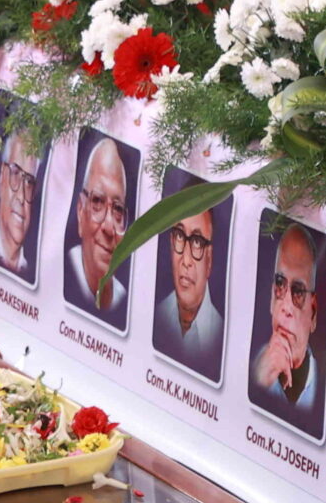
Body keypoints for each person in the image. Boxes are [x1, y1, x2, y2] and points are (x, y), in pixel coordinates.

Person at [249, 219, 326, 433]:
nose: (286, 307)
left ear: (313, 313)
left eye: (298, 291)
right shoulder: (251, 370)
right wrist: (260, 380)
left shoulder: (325, 392)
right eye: (280, 285)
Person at [63, 132, 134, 328]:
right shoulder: (64, 273)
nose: (109, 227)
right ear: (80, 212)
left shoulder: (124, 300)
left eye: (118, 209)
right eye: (97, 201)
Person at [151, 201, 225, 376]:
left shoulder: (220, 336)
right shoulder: (157, 314)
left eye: (197, 242)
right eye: (179, 236)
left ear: (209, 260)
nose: (185, 261)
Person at [0, 113, 46, 281]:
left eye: (29, 182)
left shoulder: (34, 276)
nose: (21, 196)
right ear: (1, 178)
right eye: (16, 173)